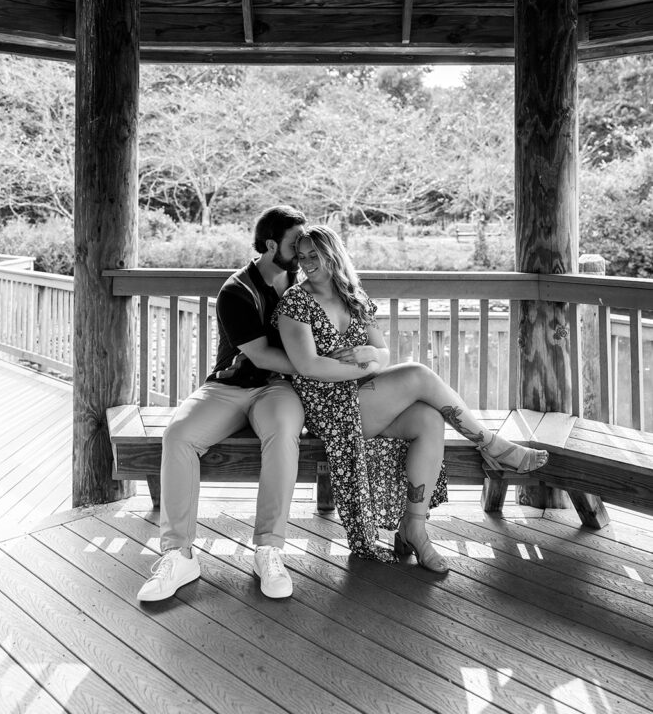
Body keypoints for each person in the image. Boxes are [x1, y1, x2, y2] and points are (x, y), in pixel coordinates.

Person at [274, 225, 549, 574]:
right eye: (301, 257)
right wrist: (365, 363)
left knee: (428, 420)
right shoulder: (295, 302)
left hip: (365, 397)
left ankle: (415, 528)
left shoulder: (353, 295)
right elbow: (308, 365)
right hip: (328, 407)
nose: (307, 263)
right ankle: (491, 444)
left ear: (333, 253)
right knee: (418, 374)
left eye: (314, 255)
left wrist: (367, 354)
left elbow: (384, 354)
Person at [137, 205, 307, 602]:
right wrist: (318, 367)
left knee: (284, 434)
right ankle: (178, 554)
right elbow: (262, 356)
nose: (303, 249)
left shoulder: (306, 280)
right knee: (178, 435)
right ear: (270, 245)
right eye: (294, 242)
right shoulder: (236, 291)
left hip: (279, 389)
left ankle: (269, 548)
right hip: (231, 386)